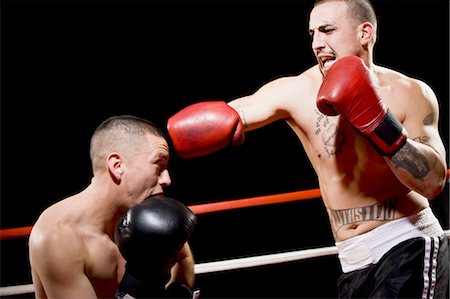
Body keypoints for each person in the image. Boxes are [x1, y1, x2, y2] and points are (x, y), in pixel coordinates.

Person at [166, 0, 449, 298]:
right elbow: (237, 112)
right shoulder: (297, 90)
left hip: (408, 244)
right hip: (352, 261)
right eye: (312, 33)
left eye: (327, 30)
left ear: (365, 33)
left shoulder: (410, 93)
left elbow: (433, 182)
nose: (317, 43)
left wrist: (380, 124)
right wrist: (221, 123)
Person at [28, 115, 196, 299]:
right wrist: (138, 288)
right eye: (158, 164)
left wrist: (177, 291)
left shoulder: (147, 216)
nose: (167, 179)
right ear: (117, 166)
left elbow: (183, 258)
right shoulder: (59, 236)